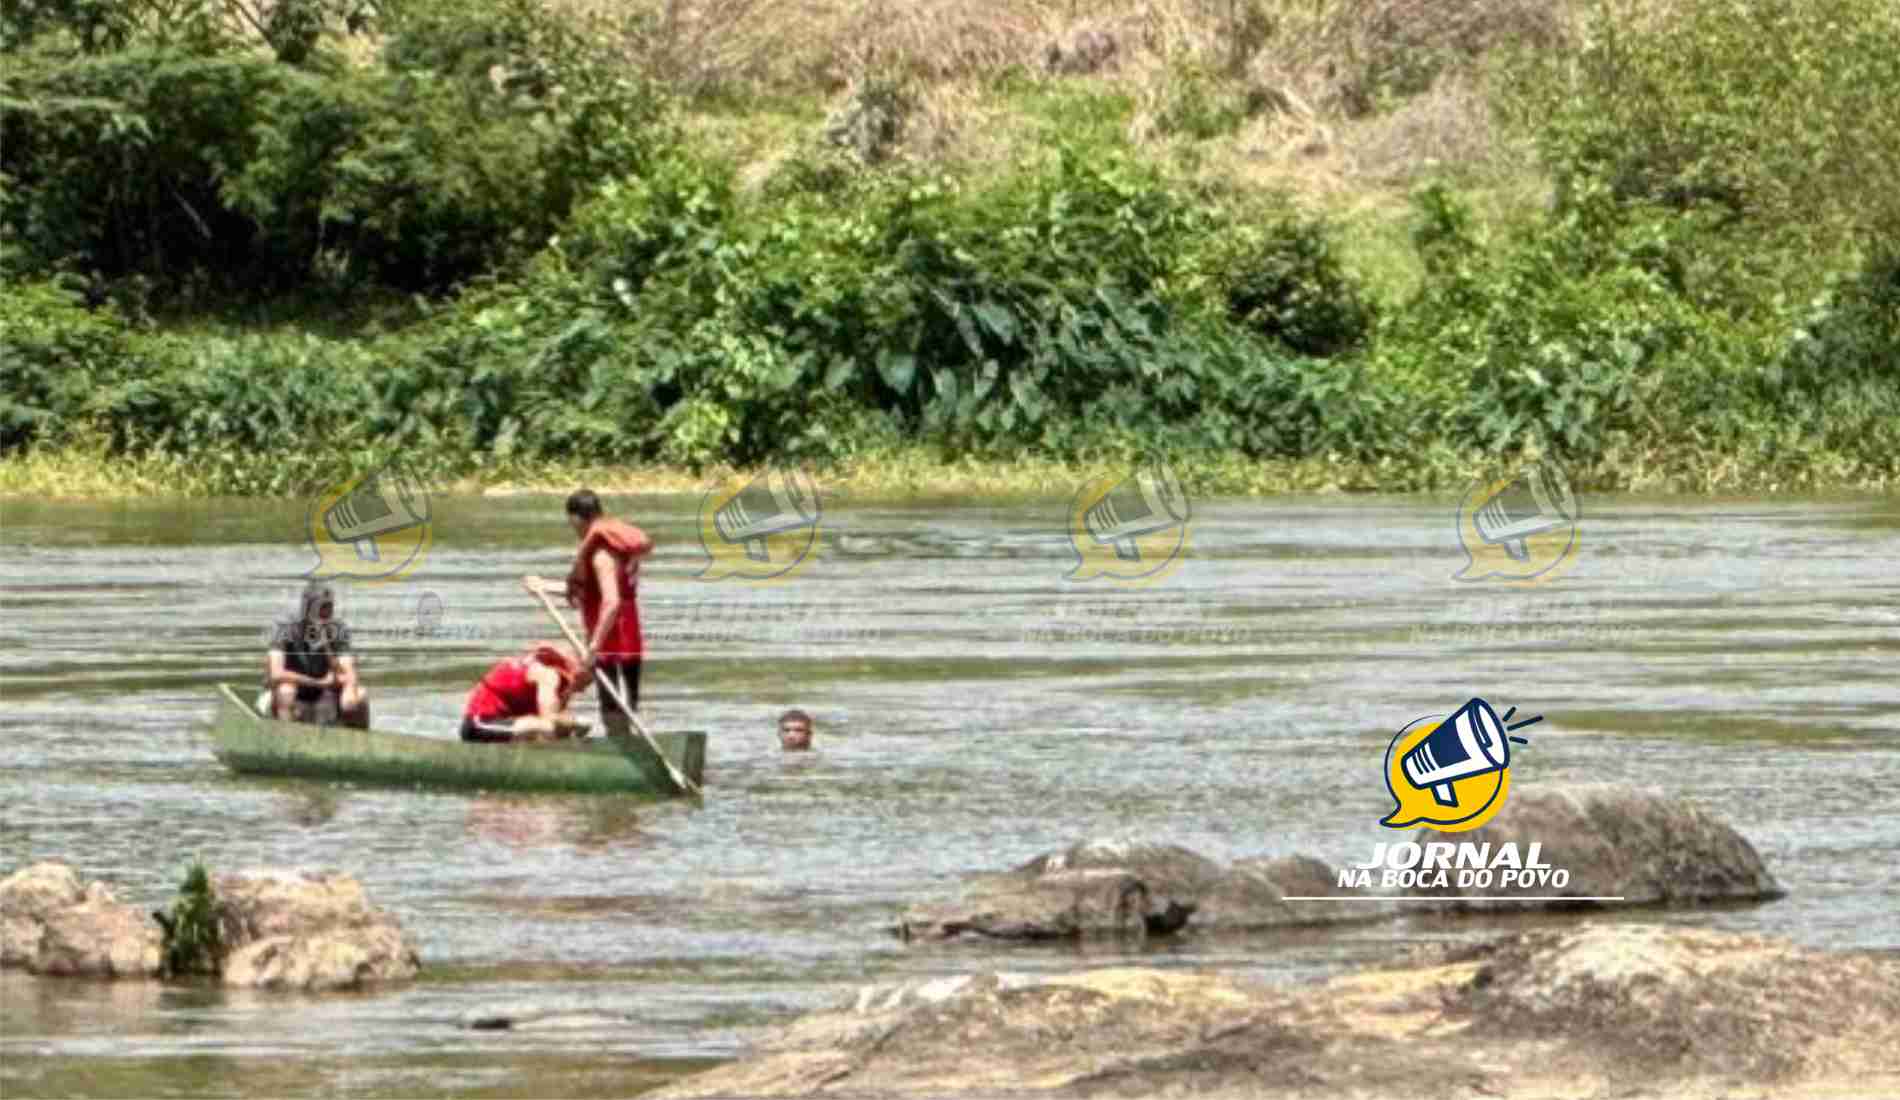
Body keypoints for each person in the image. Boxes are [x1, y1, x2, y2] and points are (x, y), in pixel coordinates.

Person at [524, 489, 654, 738]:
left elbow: (611, 601)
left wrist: (594, 646)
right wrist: (544, 586)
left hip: (610, 639)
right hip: (630, 638)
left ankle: (623, 753)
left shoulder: (600, 554)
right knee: (626, 704)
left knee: (612, 707)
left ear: (576, 518)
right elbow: (593, 592)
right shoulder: (617, 549)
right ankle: (629, 746)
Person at [259, 580, 369, 728]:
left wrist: (350, 689)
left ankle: (359, 743)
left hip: (322, 693)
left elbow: (348, 671)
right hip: (287, 693)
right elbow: (276, 674)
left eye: (329, 607)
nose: (326, 614)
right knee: (286, 691)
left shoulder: (337, 630)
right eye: (321, 608)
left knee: (360, 695)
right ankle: (287, 739)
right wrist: (318, 682)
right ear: (306, 609)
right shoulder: (284, 628)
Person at [460, 642, 589, 743]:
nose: (584, 690)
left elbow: (558, 715)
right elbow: (550, 718)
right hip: (480, 724)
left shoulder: (561, 683)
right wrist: (576, 722)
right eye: (586, 682)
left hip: (506, 722)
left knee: (560, 729)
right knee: (546, 727)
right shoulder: (548, 674)